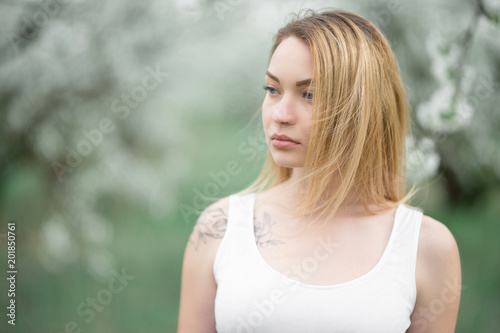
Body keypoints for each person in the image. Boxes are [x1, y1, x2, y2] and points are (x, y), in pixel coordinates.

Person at [177, 8, 461, 333]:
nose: (281, 114)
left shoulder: (426, 247)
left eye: (309, 94)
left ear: (362, 107)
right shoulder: (219, 228)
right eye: (273, 90)